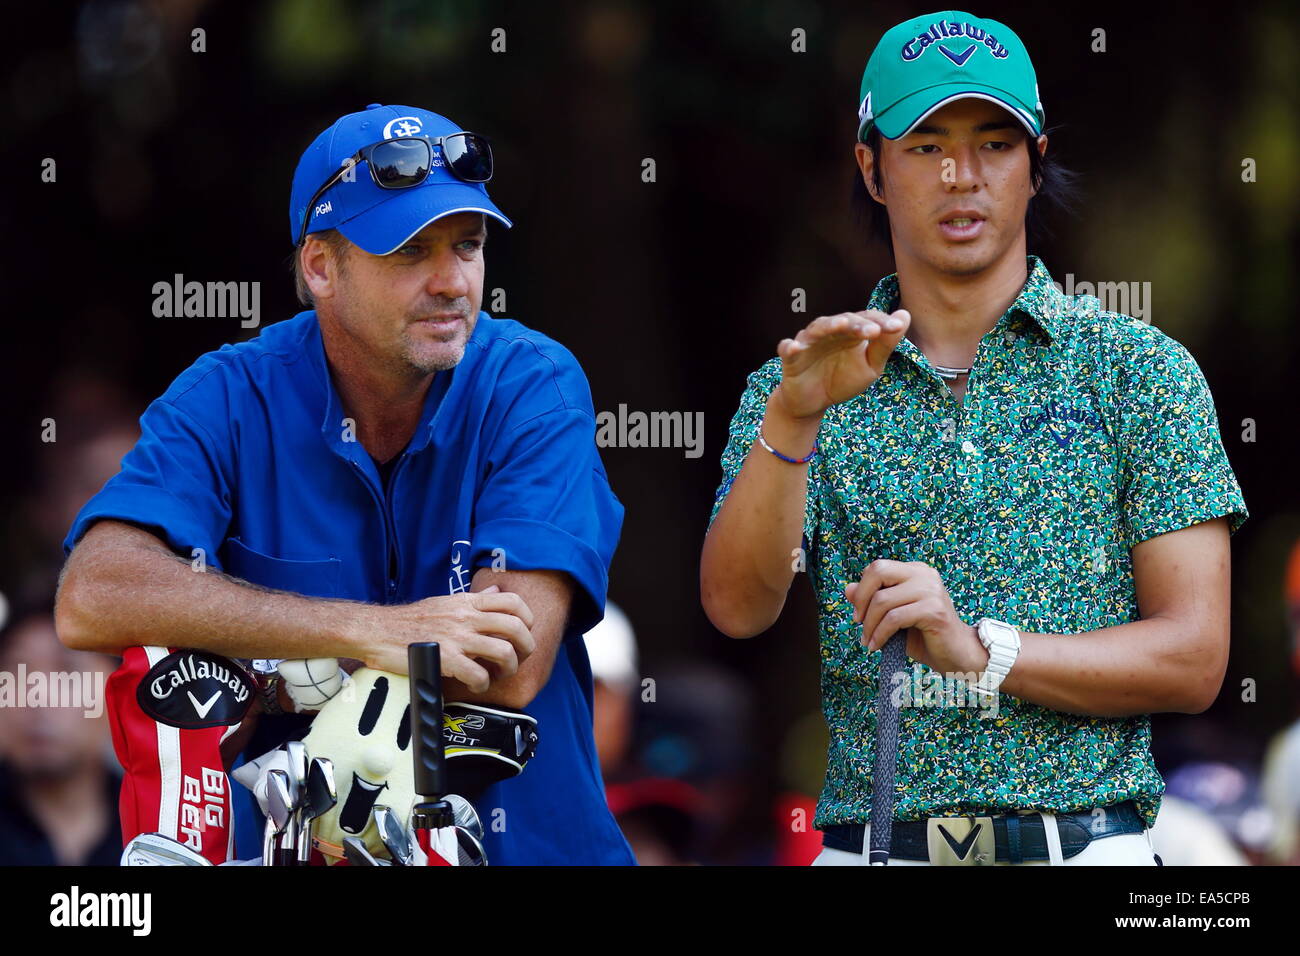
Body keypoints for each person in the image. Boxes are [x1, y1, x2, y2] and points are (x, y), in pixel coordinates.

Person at [700, 11, 1248, 866]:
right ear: (871, 169)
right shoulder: (800, 382)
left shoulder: (1141, 371)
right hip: (873, 845)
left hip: (1088, 847)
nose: (962, 176)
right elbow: (738, 607)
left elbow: (1194, 657)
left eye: (994, 144)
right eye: (925, 147)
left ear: (1035, 164)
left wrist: (984, 651)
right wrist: (795, 421)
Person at [55, 103, 631, 865]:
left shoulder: (534, 381)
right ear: (321, 267)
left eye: (468, 245)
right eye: (410, 252)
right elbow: (94, 594)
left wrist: (270, 675)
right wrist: (369, 630)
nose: (452, 282)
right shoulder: (228, 392)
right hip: (297, 848)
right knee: (158, 665)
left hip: (528, 849)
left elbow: (510, 667)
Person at [0, 596, 121, 865]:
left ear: (117, 693)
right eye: (18, 671)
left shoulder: (159, 828)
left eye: (68, 671)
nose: (38, 697)